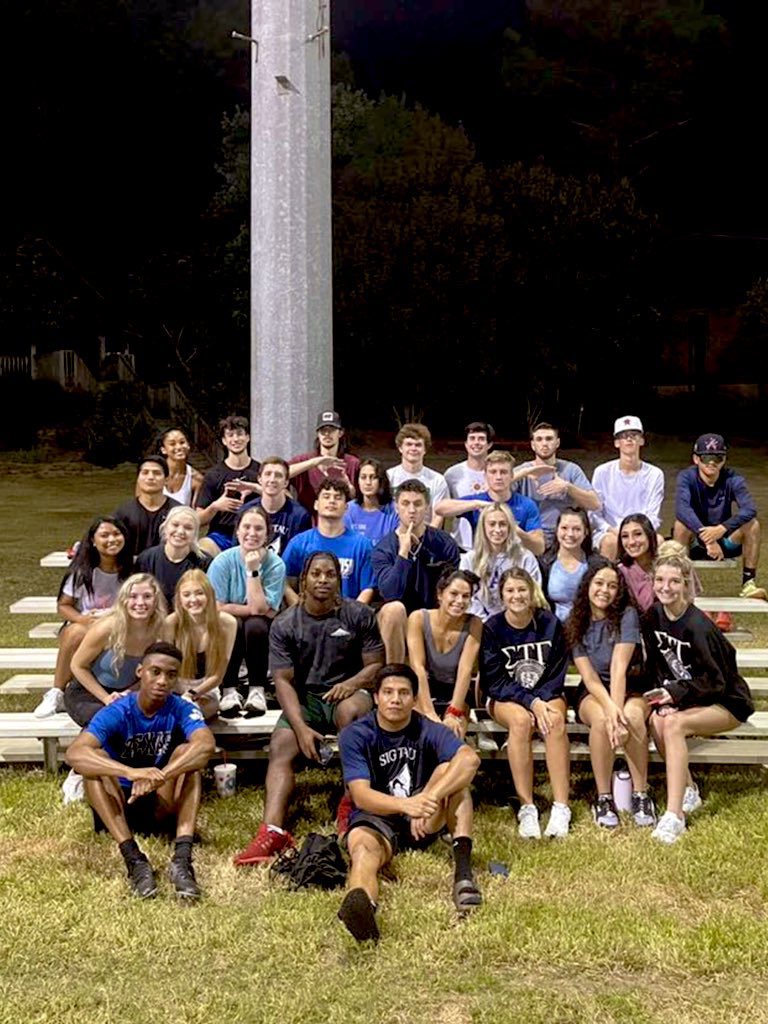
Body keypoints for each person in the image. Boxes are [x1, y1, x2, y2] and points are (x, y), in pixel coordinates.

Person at [233, 552, 385, 865]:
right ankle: (272, 830)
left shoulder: (359, 614)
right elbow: (283, 681)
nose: (323, 580)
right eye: (316, 574)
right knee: (282, 743)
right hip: (305, 698)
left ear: (338, 580)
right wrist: (301, 729)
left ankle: (353, 808)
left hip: (349, 693)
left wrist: (351, 683)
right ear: (303, 580)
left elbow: (375, 666)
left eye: (330, 574)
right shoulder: (286, 623)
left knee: (349, 713)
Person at [336, 664, 481, 942]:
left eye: (403, 693)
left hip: (423, 818)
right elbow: (361, 795)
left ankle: (463, 874)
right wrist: (406, 805)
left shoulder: (427, 728)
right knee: (363, 850)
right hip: (376, 816)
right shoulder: (356, 734)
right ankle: (362, 906)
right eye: (388, 692)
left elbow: (469, 759)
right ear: (376, 697)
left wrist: (429, 798)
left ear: (414, 699)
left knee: (455, 780)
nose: (395, 699)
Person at [65, 641, 215, 899]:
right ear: (140, 672)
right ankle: (134, 860)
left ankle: (182, 859)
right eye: (155, 672)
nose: (162, 681)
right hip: (118, 804)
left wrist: (160, 776)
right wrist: (130, 773)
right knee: (94, 763)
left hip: (159, 799)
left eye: (171, 675)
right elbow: (75, 753)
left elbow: (205, 745)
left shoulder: (181, 707)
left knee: (188, 756)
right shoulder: (119, 710)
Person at [641, 552, 754, 844]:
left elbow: (718, 682)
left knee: (674, 725)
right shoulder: (653, 616)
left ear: (685, 584)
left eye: (674, 581)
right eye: (660, 580)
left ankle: (674, 815)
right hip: (689, 697)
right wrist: (666, 700)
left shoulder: (699, 626)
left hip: (727, 701)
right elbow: (657, 665)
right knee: (657, 721)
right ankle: (689, 790)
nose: (666, 587)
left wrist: (677, 696)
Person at [479, 567, 571, 839]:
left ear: (532, 593)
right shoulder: (492, 628)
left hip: (546, 692)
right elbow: (495, 681)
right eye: (510, 590)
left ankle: (561, 807)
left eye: (522, 590)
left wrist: (540, 701)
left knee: (554, 721)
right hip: (505, 697)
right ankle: (527, 807)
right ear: (501, 595)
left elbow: (556, 673)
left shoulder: (550, 624)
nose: (516, 595)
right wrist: (531, 702)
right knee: (520, 722)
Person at [565, 559, 655, 829]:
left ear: (619, 591)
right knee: (603, 720)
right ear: (587, 585)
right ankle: (603, 797)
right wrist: (611, 711)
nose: (604, 590)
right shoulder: (574, 622)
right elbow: (590, 677)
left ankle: (641, 794)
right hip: (594, 690)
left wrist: (619, 715)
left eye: (612, 586)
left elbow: (619, 667)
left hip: (631, 683)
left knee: (632, 717)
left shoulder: (627, 615)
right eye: (599, 583)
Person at [33, 516, 132, 718]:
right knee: (75, 632)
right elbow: (63, 606)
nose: (112, 539)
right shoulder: (82, 571)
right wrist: (83, 619)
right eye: (104, 535)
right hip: (88, 624)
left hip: (119, 625)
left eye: (117, 534)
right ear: (93, 541)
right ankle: (57, 692)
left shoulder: (132, 569)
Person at [207, 506, 287, 718]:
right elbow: (216, 608)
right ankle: (229, 690)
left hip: (260, 628)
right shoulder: (222, 561)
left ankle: (257, 690)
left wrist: (252, 570)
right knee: (232, 622)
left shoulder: (276, 564)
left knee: (255, 625)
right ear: (238, 531)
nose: (252, 533)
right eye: (247, 527)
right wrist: (252, 609)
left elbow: (263, 610)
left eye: (259, 529)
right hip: (226, 623)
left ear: (267, 534)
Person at [372, 479, 460, 662]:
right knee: (394, 609)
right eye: (405, 503)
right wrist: (403, 554)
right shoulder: (383, 548)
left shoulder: (445, 543)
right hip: (398, 622)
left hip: (433, 618)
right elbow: (391, 594)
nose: (412, 510)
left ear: (427, 507)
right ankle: (394, 673)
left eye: (418, 504)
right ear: (396, 507)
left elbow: (451, 591)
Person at [65, 573, 168, 728]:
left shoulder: (160, 632)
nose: (140, 603)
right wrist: (106, 698)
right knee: (110, 722)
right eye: (133, 596)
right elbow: (77, 665)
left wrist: (127, 693)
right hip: (89, 693)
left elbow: (154, 674)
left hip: (131, 694)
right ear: (124, 600)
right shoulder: (107, 628)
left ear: (156, 601)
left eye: (147, 596)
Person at [673, 433, 765, 600]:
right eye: (706, 457)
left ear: (724, 460)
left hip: (724, 542)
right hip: (695, 541)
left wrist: (721, 529)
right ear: (696, 459)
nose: (712, 462)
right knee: (680, 525)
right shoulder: (686, 477)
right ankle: (681, 583)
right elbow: (682, 509)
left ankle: (748, 583)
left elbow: (749, 509)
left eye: (717, 457)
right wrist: (707, 537)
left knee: (753, 525)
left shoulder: (733, 478)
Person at [406, 569, 483, 739]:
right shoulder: (418, 618)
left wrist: (453, 712)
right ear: (440, 594)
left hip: (455, 689)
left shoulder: (474, 623)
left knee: (453, 732)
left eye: (465, 596)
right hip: (424, 686)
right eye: (454, 594)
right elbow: (418, 668)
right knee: (421, 731)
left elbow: (465, 670)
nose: (459, 601)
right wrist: (429, 712)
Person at [281, 479, 375, 604]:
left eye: (338, 498)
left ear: (346, 507)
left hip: (349, 612)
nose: (332, 501)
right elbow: (282, 580)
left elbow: (367, 589)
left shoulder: (362, 545)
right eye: (326, 496)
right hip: (308, 613)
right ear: (316, 504)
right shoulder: (298, 543)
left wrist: (353, 613)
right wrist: (299, 608)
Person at [435, 451, 545, 556]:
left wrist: (515, 530)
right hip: (482, 560)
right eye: (493, 472)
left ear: (512, 475)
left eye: (503, 472)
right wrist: (476, 505)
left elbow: (539, 549)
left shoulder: (526, 505)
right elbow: (440, 509)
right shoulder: (477, 501)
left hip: (515, 561)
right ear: (485, 476)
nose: (498, 477)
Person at [162, 569, 237, 719]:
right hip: (173, 688)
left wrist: (191, 695)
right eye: (186, 595)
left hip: (205, 690)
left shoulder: (227, 623)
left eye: (199, 593)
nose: (193, 599)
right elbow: (165, 669)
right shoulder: (171, 623)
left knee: (202, 710)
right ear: (179, 599)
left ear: (209, 595)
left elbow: (218, 675)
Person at [590, 415, 664, 559]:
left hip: (642, 531)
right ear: (617, 443)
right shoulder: (602, 472)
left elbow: (653, 515)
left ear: (641, 440)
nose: (629, 439)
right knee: (610, 542)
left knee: (659, 541)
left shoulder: (655, 474)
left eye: (634, 435)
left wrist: (636, 534)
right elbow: (594, 512)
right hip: (610, 531)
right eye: (624, 436)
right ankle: (607, 573)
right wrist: (614, 531)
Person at [513, 422, 599, 546]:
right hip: (530, 535)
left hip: (564, 536)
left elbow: (594, 504)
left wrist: (568, 487)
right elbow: (495, 492)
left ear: (557, 443)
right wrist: (524, 473)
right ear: (533, 445)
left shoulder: (571, 469)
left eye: (549, 439)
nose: (544, 443)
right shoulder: (522, 471)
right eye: (539, 439)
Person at [459, 502, 541, 621]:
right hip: (479, 623)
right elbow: (467, 597)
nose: (497, 530)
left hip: (518, 620)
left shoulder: (525, 557)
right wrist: (485, 623)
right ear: (483, 527)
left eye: (502, 524)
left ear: (510, 527)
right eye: (492, 524)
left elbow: (533, 594)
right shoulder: (469, 559)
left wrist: (510, 621)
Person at [196, 415, 261, 557]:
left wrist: (256, 488)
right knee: (201, 549)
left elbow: (284, 498)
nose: (235, 439)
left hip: (254, 534)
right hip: (222, 535)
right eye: (230, 435)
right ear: (224, 441)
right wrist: (215, 506)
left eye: (240, 434)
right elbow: (198, 519)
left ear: (248, 437)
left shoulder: (261, 472)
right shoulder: (213, 475)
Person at [136, 505, 211, 607]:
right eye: (175, 525)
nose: (180, 531)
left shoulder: (206, 563)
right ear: (165, 527)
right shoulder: (146, 559)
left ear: (195, 534)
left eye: (188, 528)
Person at [289, 410, 361, 514]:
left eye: (332, 430)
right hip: (310, 522)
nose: (327, 434)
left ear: (340, 433)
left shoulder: (353, 463)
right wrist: (314, 462)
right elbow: (280, 475)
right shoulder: (304, 460)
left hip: (343, 521)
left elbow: (362, 499)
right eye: (323, 430)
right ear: (318, 434)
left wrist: (349, 489)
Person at [239, 456, 312, 556]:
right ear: (259, 479)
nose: (272, 479)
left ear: (286, 482)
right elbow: (238, 550)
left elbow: (301, 555)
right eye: (268, 474)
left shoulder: (300, 516)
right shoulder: (246, 511)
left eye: (278, 475)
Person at [113, 455, 180, 560]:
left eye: (157, 473)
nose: (150, 477)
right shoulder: (123, 512)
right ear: (138, 479)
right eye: (145, 472)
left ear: (166, 480)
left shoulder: (178, 511)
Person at [538, 508, 599, 622]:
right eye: (564, 528)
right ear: (557, 530)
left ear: (586, 532)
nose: (570, 534)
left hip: (587, 625)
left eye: (576, 529)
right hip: (554, 626)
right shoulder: (544, 562)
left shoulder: (597, 564)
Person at [444, 421, 495, 551]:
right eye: (472, 438)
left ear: (489, 444)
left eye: (481, 439)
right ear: (466, 444)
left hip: (493, 545)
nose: (476, 443)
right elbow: (443, 509)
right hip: (461, 544)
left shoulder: (497, 473)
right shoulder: (452, 474)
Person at [386, 423, 449, 528]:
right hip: (393, 534)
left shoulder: (437, 480)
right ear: (400, 448)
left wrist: (426, 536)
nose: (413, 448)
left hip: (425, 534)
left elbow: (438, 516)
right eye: (409, 444)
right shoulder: (388, 477)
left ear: (425, 450)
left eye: (418, 445)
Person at [343, 457, 399, 547]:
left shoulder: (394, 509)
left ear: (381, 481)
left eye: (373, 477)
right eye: (363, 477)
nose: (368, 482)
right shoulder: (348, 509)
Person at [616, 513, 659, 612]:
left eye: (638, 534)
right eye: (625, 536)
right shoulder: (620, 572)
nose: (631, 542)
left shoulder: (664, 565)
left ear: (649, 535)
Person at [159, 426, 203, 507]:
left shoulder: (196, 479)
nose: (179, 447)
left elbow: (196, 512)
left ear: (188, 446)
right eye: (172, 444)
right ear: (163, 450)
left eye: (182, 442)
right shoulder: (152, 474)